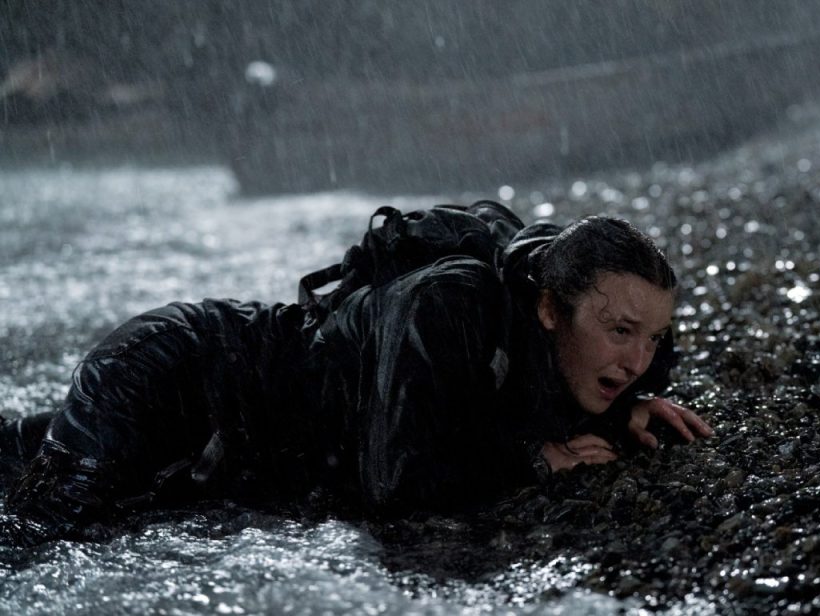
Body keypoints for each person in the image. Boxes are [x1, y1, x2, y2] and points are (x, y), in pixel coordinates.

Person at [0, 201, 711, 546]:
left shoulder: (585, 335)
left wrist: (625, 408)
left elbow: (505, 407)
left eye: (653, 338)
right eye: (621, 333)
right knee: (40, 540)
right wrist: (534, 460)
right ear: (550, 308)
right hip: (170, 376)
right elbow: (393, 480)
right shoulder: (448, 303)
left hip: (211, 449)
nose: (638, 360)